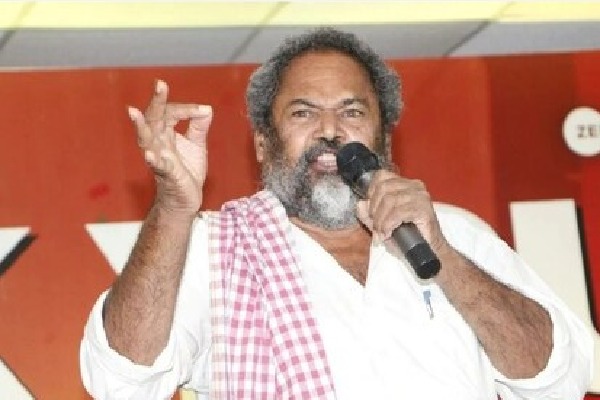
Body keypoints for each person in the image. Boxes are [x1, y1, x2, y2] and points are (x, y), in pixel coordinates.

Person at [80, 27, 592, 399]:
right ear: (263, 144)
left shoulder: (454, 233)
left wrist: (445, 258)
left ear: (383, 139)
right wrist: (173, 208)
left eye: (352, 112)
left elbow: (557, 377)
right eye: (303, 112)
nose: (330, 131)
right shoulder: (214, 250)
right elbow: (120, 381)